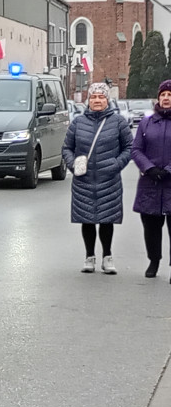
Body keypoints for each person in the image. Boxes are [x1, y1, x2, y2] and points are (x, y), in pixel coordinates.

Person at [62, 82, 132, 274]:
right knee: (87, 219)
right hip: (83, 179)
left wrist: (117, 164)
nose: (97, 101)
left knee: (107, 219)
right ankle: (89, 256)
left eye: (101, 97)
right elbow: (67, 147)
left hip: (109, 179)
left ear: (107, 100)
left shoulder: (118, 122)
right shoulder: (78, 123)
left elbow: (129, 148)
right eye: (94, 97)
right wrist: (72, 163)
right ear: (88, 100)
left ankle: (107, 257)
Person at [132, 80, 171, 279]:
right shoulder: (147, 122)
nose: (166, 98)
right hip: (151, 183)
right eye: (163, 95)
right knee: (151, 227)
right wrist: (149, 168)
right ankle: (153, 260)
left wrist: (168, 170)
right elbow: (136, 149)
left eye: (169, 95)